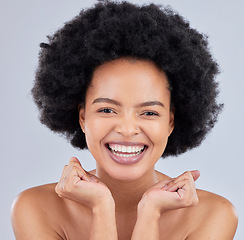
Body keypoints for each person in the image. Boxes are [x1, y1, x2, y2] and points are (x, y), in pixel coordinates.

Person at [11, 1, 238, 239]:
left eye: (149, 112)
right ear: (82, 117)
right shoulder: (35, 208)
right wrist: (101, 208)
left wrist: (150, 213)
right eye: (107, 110)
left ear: (171, 122)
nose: (128, 129)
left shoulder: (212, 215)